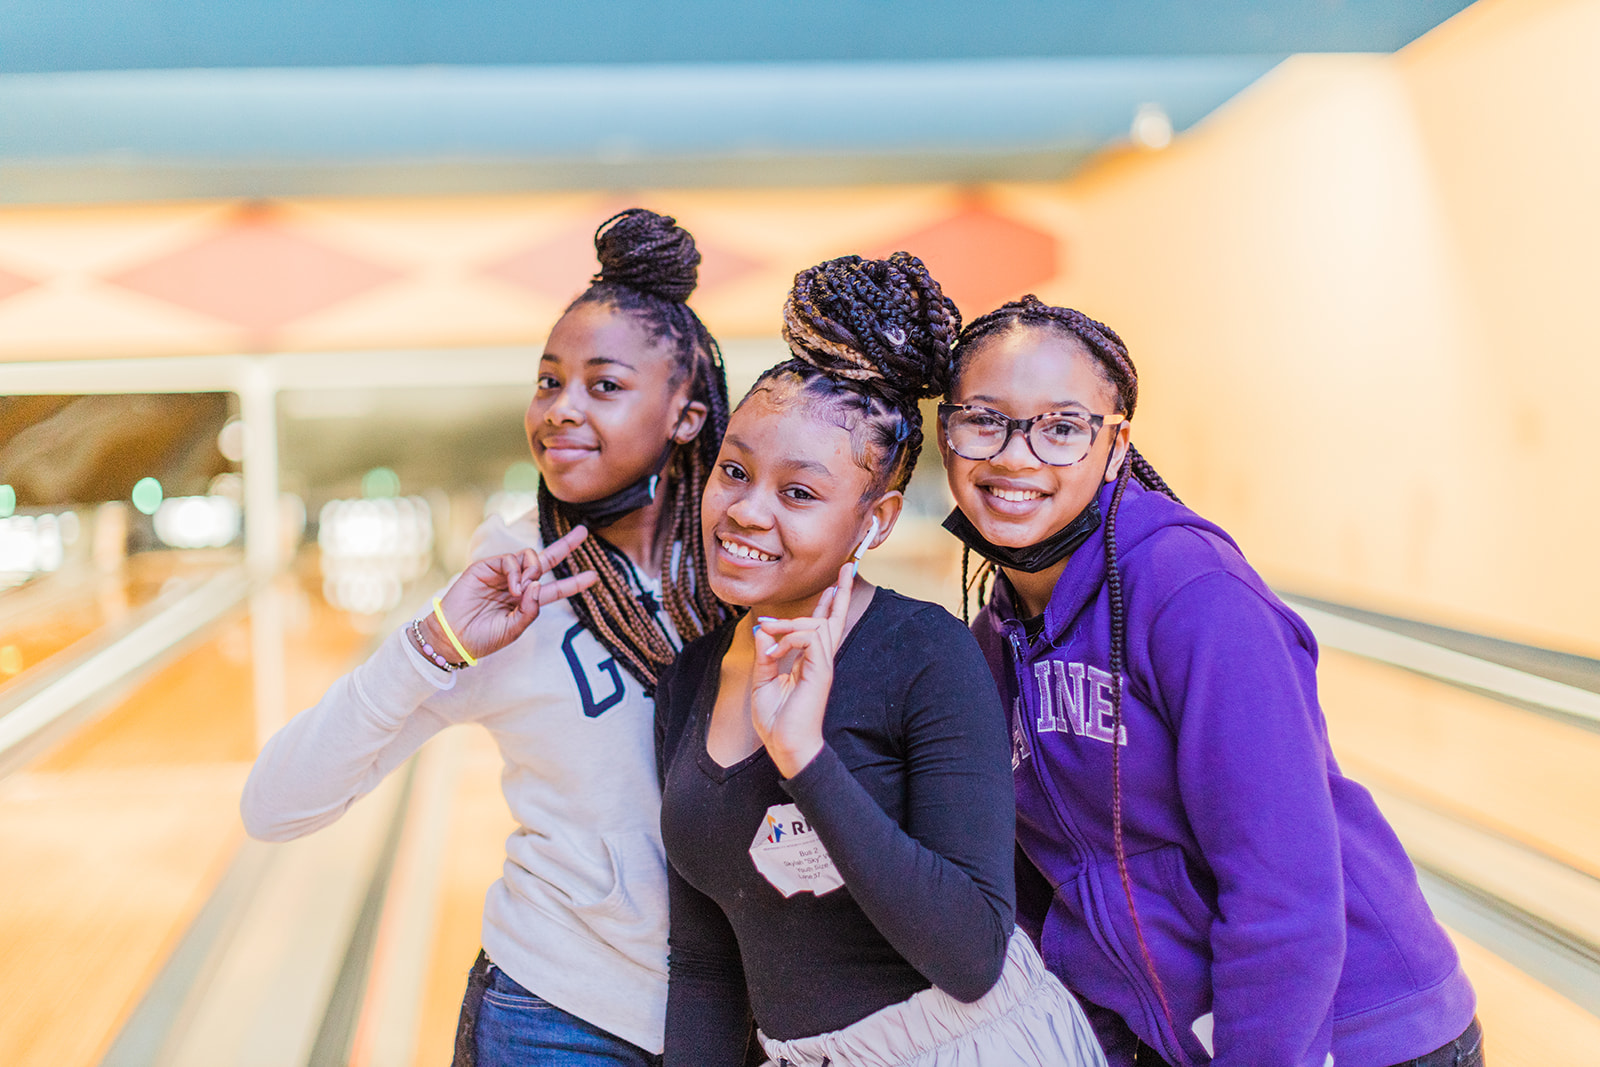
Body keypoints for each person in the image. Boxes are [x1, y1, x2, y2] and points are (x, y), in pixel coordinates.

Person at [241, 208, 733, 1067]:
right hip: (554, 1015)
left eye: (604, 386)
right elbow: (274, 806)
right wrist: (431, 645)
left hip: (739, 1014)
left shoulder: (746, 565)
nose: (561, 409)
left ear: (686, 415)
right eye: (548, 381)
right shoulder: (505, 585)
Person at [938, 295, 1482, 1067]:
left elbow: (1282, 893)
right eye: (984, 420)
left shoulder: (1193, 592)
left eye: (1061, 428)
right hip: (1194, 1040)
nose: (1015, 456)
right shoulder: (994, 641)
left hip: (1358, 1036)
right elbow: (1054, 894)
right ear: (947, 432)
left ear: (1116, 445)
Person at [655, 256, 1107, 1067]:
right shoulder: (690, 676)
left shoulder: (925, 654)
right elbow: (703, 962)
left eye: (799, 493)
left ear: (876, 521)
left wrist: (805, 758)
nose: (746, 510)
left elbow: (971, 953)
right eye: (735, 471)